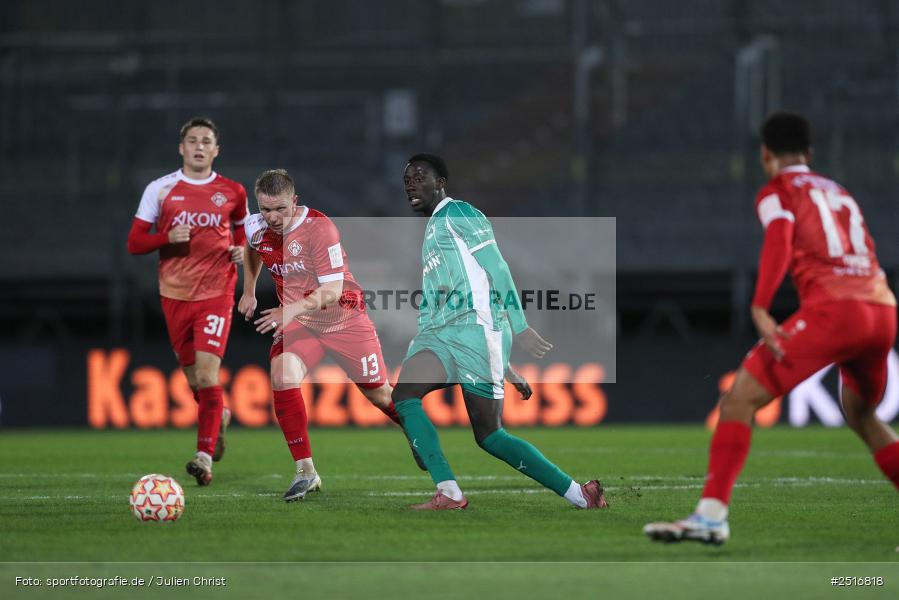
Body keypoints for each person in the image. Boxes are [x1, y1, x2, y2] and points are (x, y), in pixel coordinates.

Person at [644, 112, 899, 545]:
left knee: (739, 400)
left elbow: (780, 237)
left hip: (836, 312)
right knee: (863, 415)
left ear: (766, 155)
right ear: (809, 153)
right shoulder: (839, 191)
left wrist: (761, 306)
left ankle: (710, 515)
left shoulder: (777, 190)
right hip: (882, 313)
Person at [393, 153, 609, 510]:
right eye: (406, 181)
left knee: (490, 436)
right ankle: (448, 491)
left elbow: (498, 269)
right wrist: (505, 366)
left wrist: (519, 327)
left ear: (441, 182)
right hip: (445, 336)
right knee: (404, 394)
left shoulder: (459, 213)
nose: (411, 185)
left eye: (419, 177)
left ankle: (579, 494)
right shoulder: (434, 227)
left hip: (474, 333)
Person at [239, 169, 411, 501]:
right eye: (266, 209)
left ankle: (419, 435)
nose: (272, 218)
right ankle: (306, 471)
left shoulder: (320, 229)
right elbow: (251, 249)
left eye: (280, 209)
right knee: (282, 374)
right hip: (300, 323)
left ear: (295, 202)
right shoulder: (254, 226)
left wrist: (288, 310)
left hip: (343, 317)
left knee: (380, 396)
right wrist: (249, 291)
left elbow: (332, 289)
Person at [127, 117, 247, 486]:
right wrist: (165, 236)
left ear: (216, 150)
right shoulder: (160, 190)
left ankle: (203, 456)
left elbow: (242, 230)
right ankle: (219, 416)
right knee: (195, 383)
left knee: (209, 375)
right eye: (192, 140)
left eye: (205, 140)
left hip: (217, 293)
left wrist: (241, 251)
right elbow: (134, 243)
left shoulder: (233, 191)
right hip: (175, 294)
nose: (198, 146)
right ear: (181, 148)